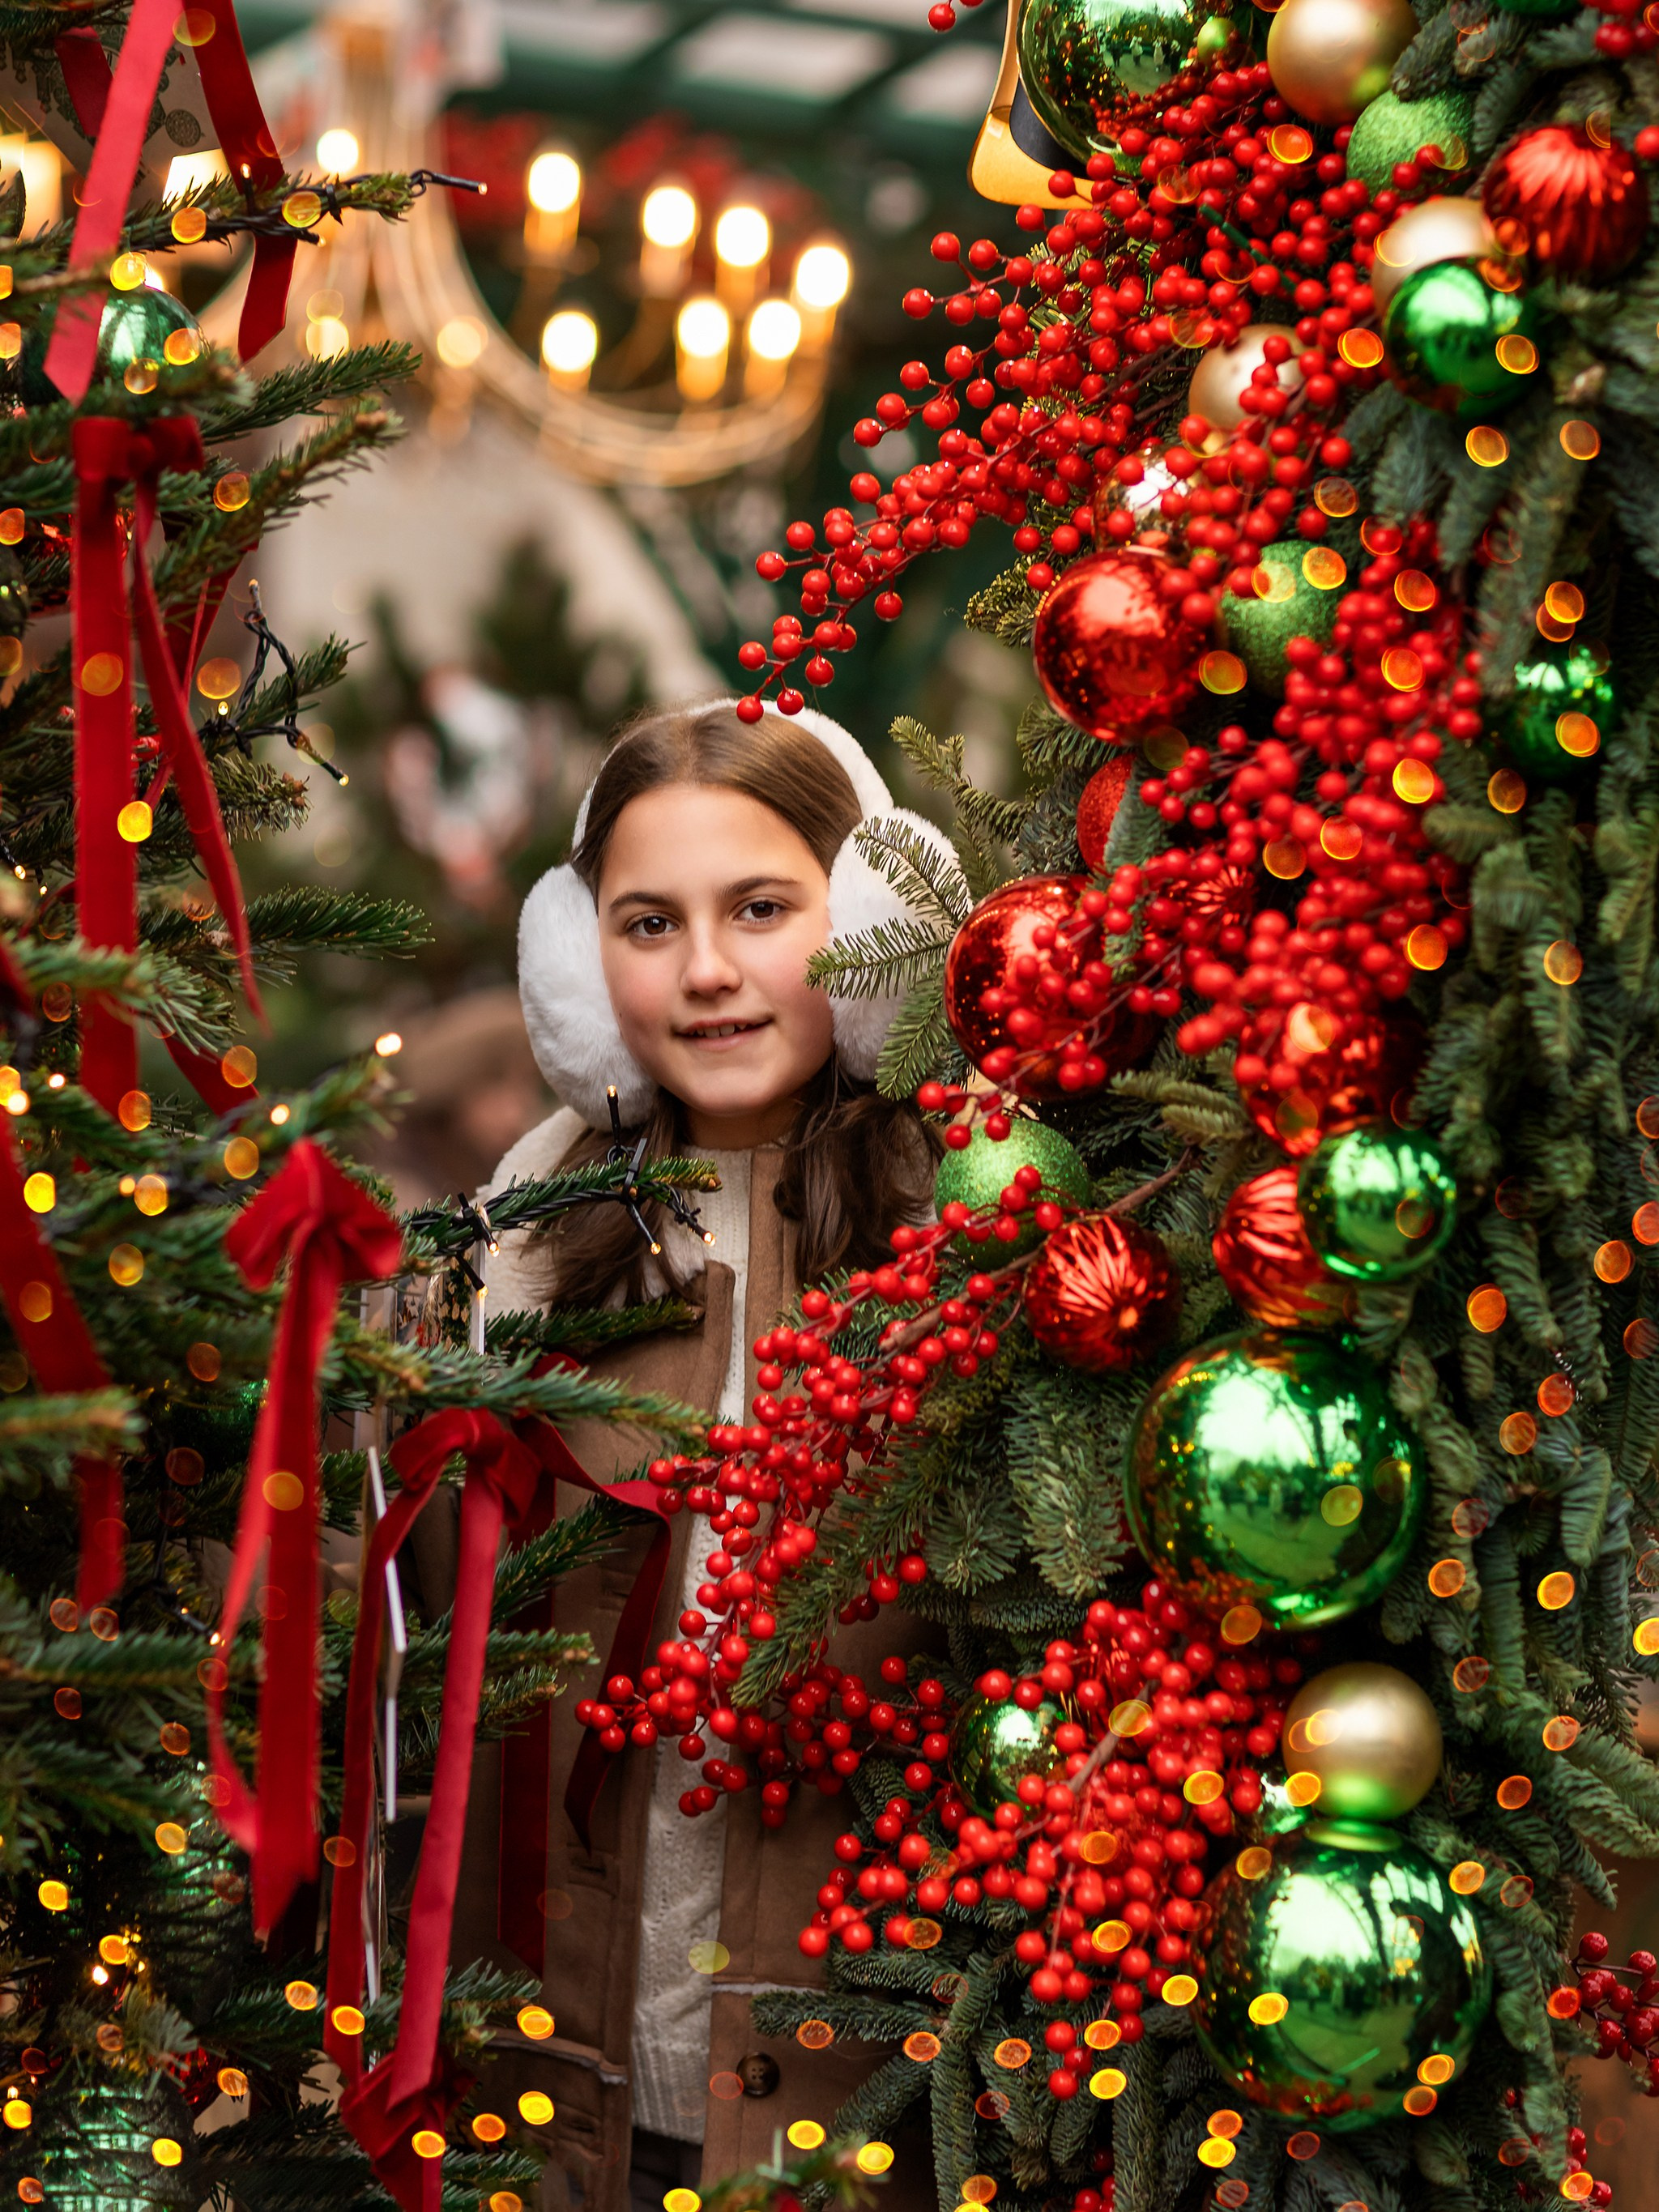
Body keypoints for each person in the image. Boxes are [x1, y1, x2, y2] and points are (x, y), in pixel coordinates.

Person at [435, 701, 955, 2212]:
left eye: (764, 911)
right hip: (560, 2102)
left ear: (871, 924)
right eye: (649, 923)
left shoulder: (971, 1244)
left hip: (874, 2112)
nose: (709, 971)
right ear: (577, 970)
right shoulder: (519, 1265)